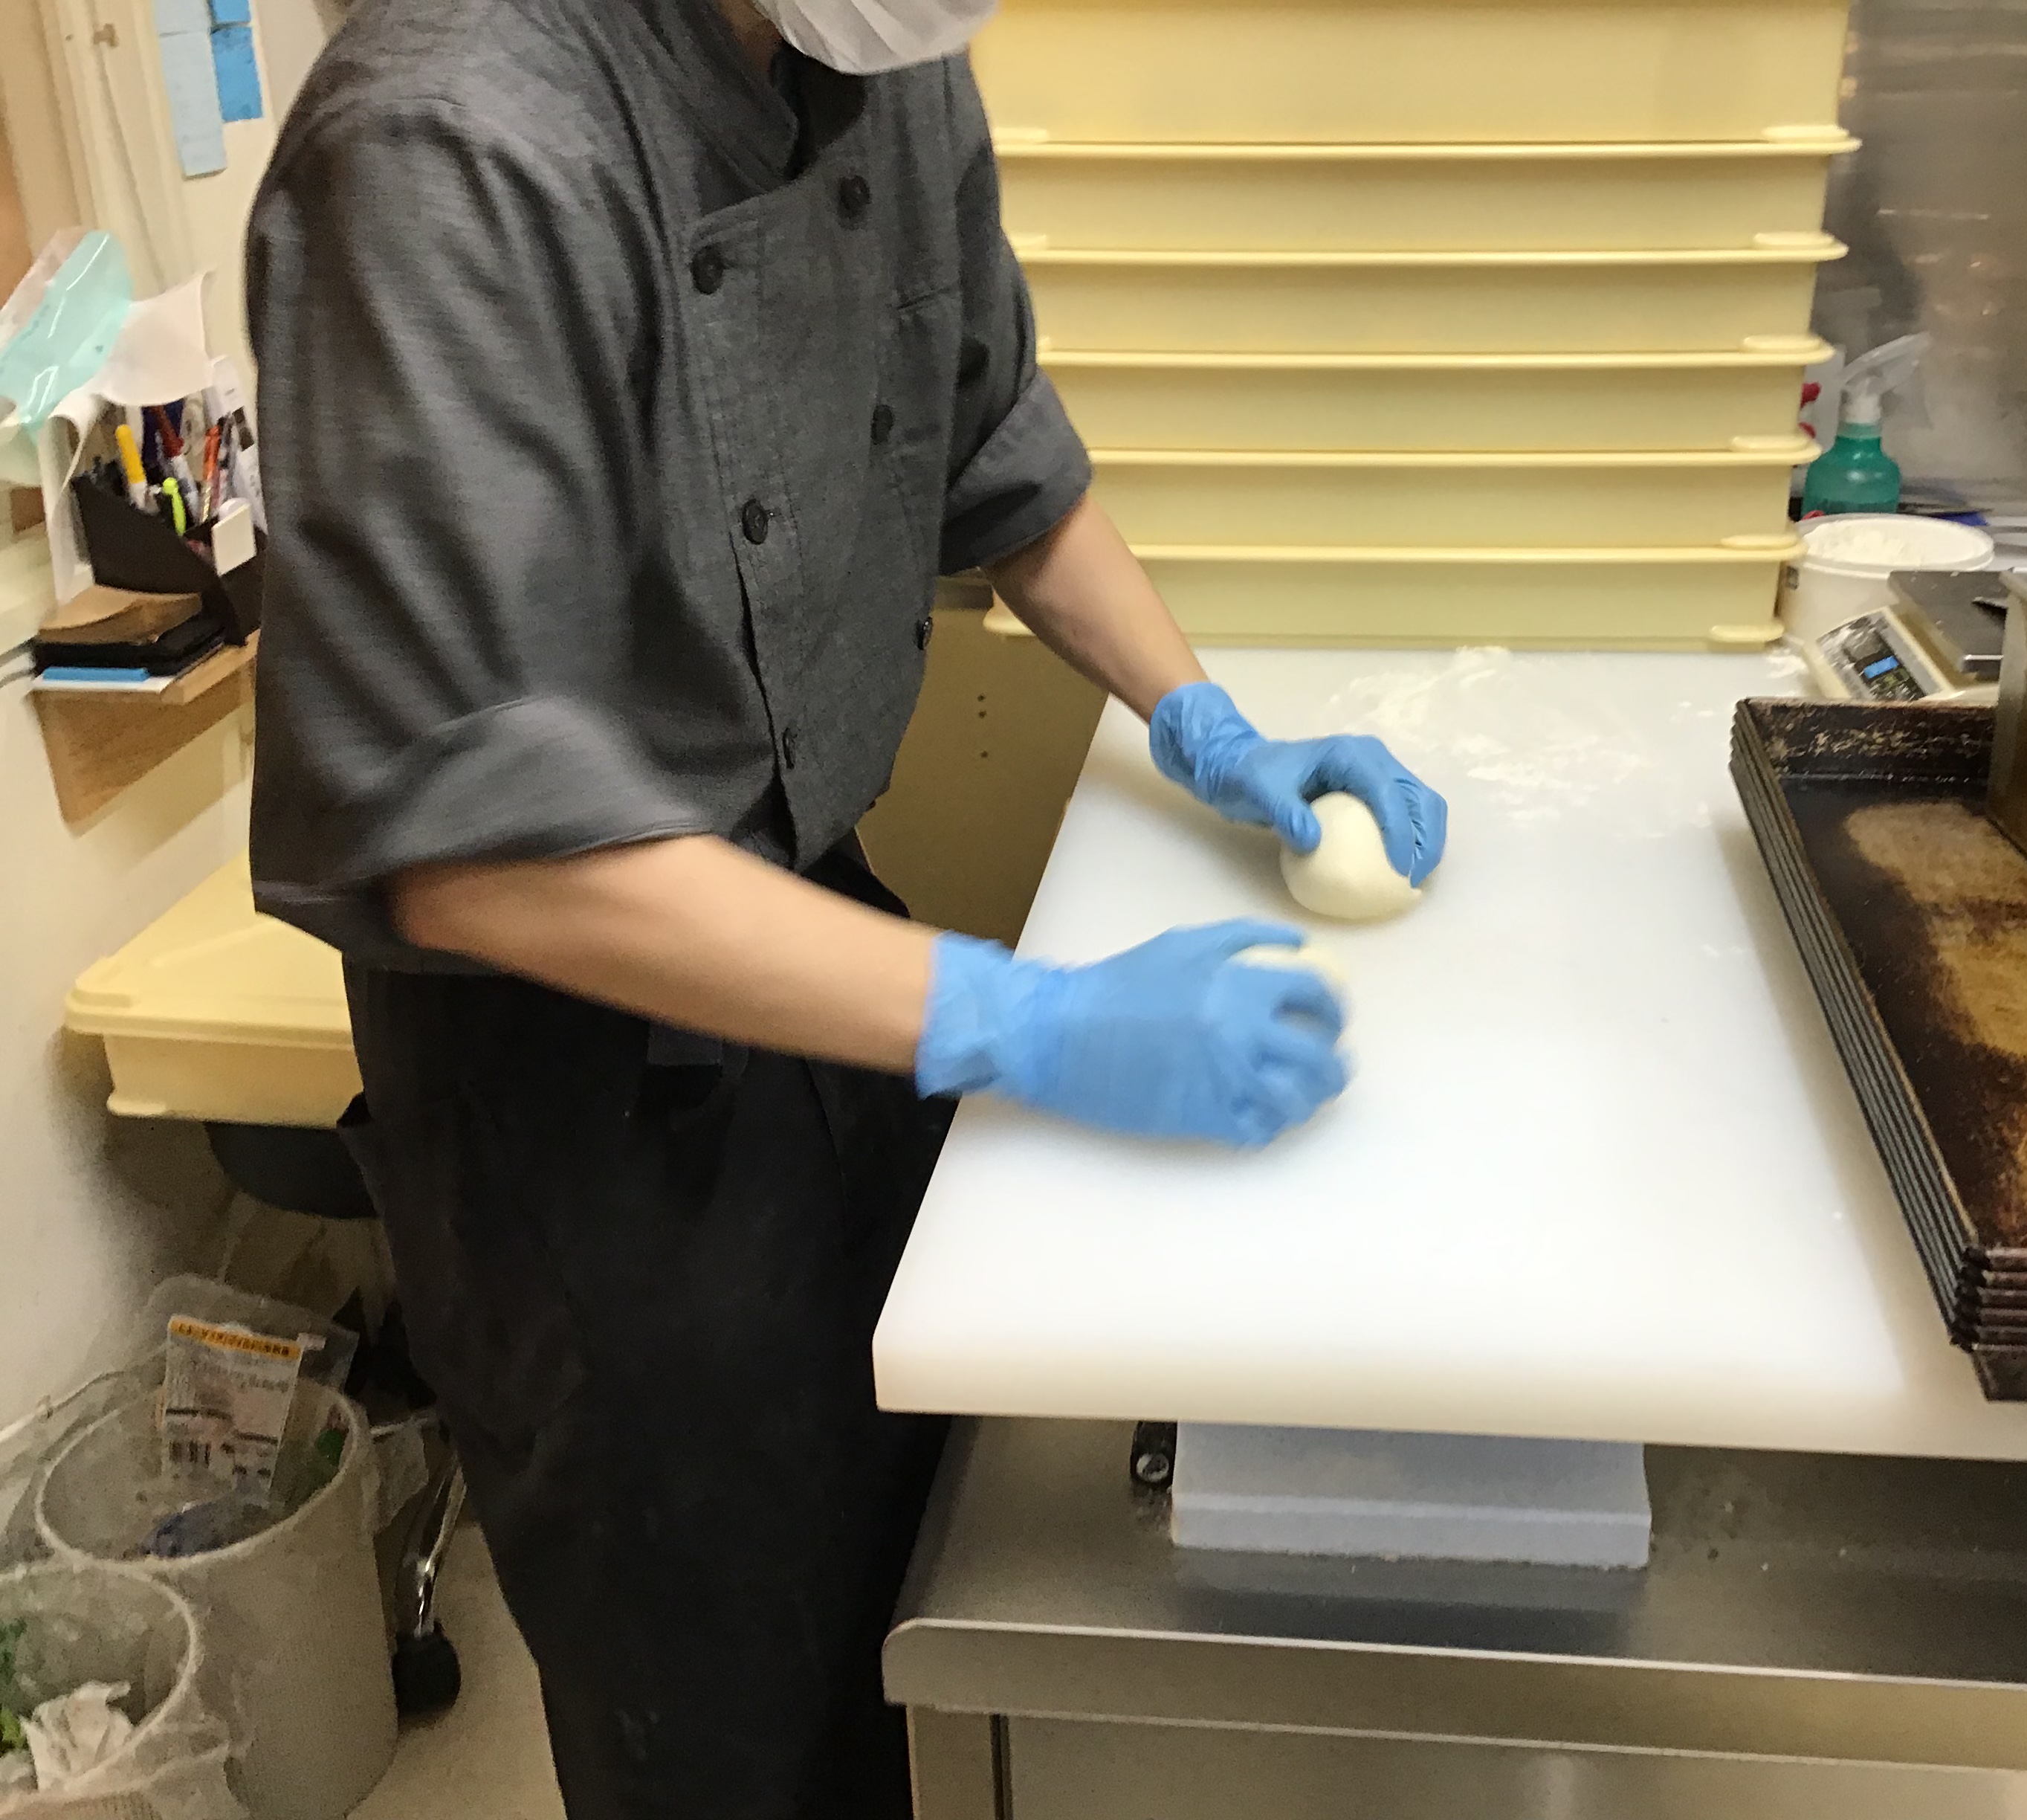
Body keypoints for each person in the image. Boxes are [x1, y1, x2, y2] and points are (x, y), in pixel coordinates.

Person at [243, 0, 1446, 1814]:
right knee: (723, 1703)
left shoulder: (878, 57)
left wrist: (1203, 722)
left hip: (817, 944)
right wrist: (1035, 1018)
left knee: (913, 1586)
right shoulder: (446, 142)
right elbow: (478, 843)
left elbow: (996, 444)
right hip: (567, 1087)